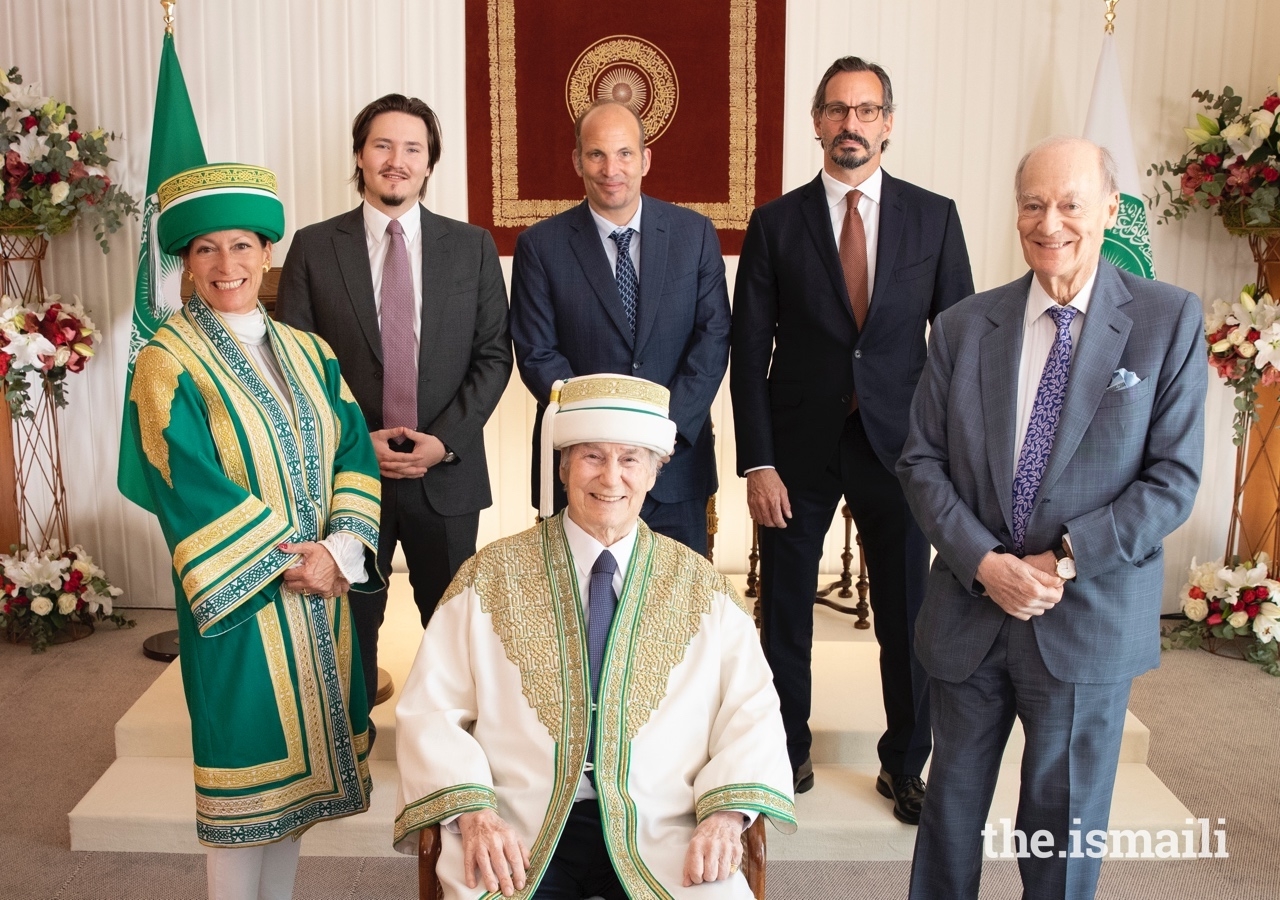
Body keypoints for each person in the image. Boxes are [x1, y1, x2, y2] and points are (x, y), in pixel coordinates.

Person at [897, 136, 1206, 899]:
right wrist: (983, 562)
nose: (1050, 222)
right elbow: (921, 462)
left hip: (1086, 617)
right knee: (947, 820)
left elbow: (1173, 479)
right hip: (970, 614)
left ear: (1108, 208)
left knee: (1062, 833)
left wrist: (1060, 559)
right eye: (1033, 204)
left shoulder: (1166, 322)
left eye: (1070, 203)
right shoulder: (967, 326)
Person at [393, 374, 795, 899]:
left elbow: (752, 713)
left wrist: (723, 815)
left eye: (630, 459)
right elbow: (430, 710)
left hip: (662, 825)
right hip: (520, 823)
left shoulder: (703, 590)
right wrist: (475, 814)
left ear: (655, 471)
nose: (611, 478)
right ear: (562, 467)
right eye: (592, 457)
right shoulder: (488, 578)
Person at [127, 163, 382, 900]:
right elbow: (183, 481)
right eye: (206, 249)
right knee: (245, 799)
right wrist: (288, 562)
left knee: (295, 806)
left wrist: (338, 553)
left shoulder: (312, 351)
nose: (226, 265)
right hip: (241, 605)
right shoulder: (166, 360)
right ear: (186, 263)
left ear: (267, 253)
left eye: (241, 246)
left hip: (320, 593)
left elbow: (351, 451)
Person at [729, 56, 974, 816]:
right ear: (816, 123)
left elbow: (961, 343)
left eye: (866, 111)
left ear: (888, 124)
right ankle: (784, 751)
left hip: (904, 453)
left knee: (908, 618)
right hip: (796, 452)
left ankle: (905, 763)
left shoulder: (934, 217)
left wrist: (952, 458)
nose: (851, 125)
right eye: (837, 110)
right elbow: (748, 350)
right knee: (785, 614)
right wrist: (757, 461)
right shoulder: (775, 222)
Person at [277, 94, 512, 730]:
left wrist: (446, 441)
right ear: (360, 155)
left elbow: (494, 357)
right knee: (352, 619)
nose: (397, 160)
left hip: (447, 475)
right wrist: (354, 441)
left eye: (413, 148)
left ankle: (452, 752)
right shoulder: (313, 247)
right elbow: (294, 369)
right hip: (348, 476)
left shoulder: (473, 247)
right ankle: (345, 742)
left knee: (453, 624)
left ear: (430, 162)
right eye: (383, 145)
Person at [510, 99, 731, 556]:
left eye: (625, 153)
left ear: (645, 159)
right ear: (577, 160)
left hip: (675, 462)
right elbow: (537, 354)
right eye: (596, 154)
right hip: (582, 470)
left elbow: (712, 340)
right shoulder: (540, 246)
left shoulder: (695, 234)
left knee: (677, 614)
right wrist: (604, 436)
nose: (612, 168)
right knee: (576, 611)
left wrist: (659, 432)